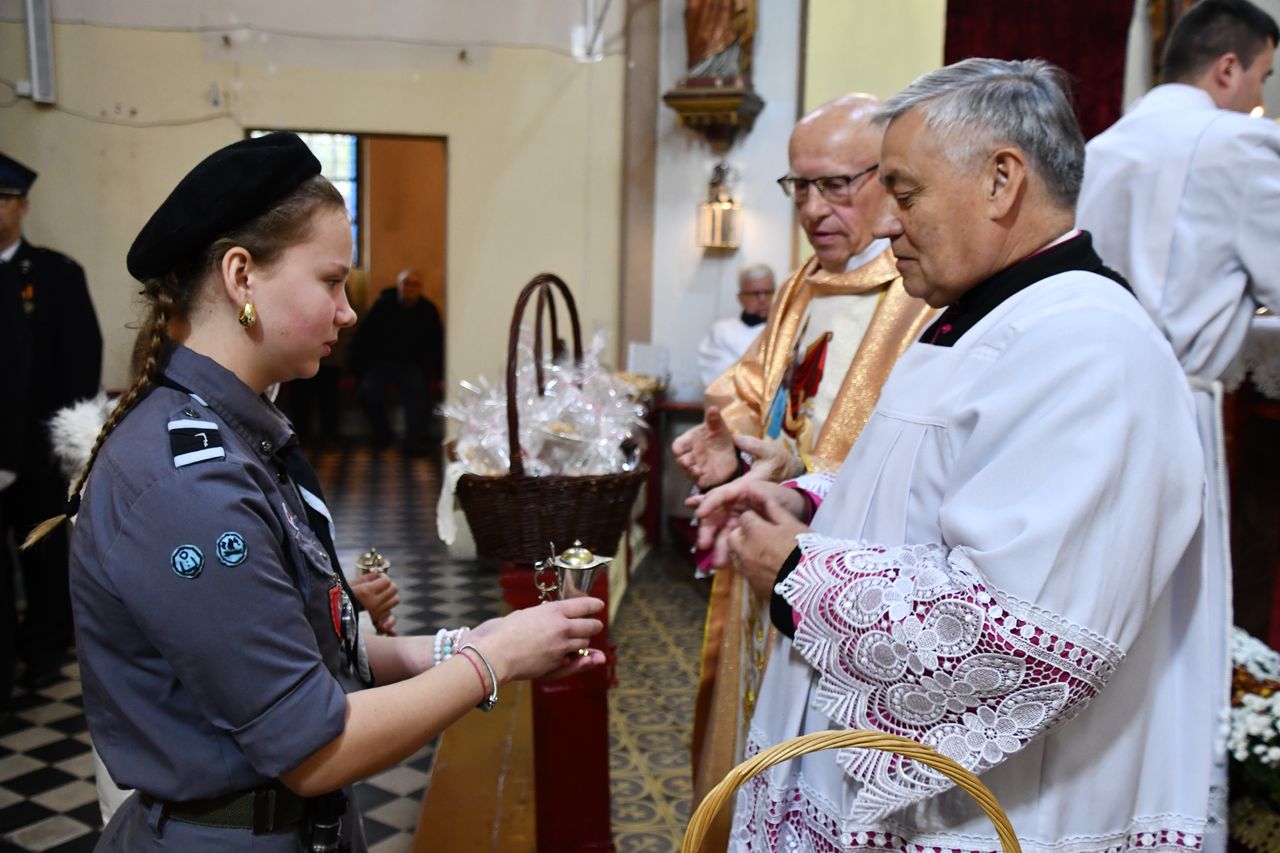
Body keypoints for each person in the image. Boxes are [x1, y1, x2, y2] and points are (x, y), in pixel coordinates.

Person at [29, 133, 604, 851]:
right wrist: (494, 661)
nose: (348, 309)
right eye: (331, 281)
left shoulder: (238, 432)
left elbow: (309, 645)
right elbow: (312, 748)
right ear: (242, 275)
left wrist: (461, 642)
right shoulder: (188, 482)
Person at [694, 59, 1213, 851]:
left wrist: (799, 575)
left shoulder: (1090, 346)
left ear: (1002, 181)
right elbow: (930, 494)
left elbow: (1012, 633)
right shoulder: (981, 316)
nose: (886, 225)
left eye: (904, 194)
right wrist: (809, 499)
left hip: (999, 810)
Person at [674, 95, 935, 850]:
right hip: (764, 555)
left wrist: (799, 475)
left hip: (845, 581)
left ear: (889, 176)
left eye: (836, 185)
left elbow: (916, 457)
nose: (814, 208)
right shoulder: (799, 286)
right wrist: (732, 445)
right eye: (800, 187)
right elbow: (752, 390)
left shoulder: (921, 290)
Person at [1077, 6, 1280, 840]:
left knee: (1100, 620)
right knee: (1174, 635)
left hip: (1087, 407)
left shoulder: (1100, 147)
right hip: (1178, 410)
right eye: (1262, 76)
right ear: (1228, 67)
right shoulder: (1237, 143)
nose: (1258, 96)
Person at [0, 151, 102, 693]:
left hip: (36, 454)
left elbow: (79, 364)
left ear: (22, 206)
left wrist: (62, 449)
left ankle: (43, 652)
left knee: (40, 559)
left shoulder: (55, 275)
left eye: (2, 200)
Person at [349, 267, 444, 452]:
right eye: (405, 283)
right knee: (367, 391)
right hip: (382, 362)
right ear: (398, 285)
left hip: (412, 364)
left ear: (420, 288)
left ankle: (413, 440)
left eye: (414, 284)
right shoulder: (382, 305)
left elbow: (437, 345)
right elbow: (363, 338)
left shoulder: (428, 310)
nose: (409, 288)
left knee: (418, 392)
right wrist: (353, 370)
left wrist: (440, 375)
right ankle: (383, 433)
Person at [696, 263, 775, 388]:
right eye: (755, 293)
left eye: (768, 292)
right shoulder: (721, 332)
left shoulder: (786, 331)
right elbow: (720, 381)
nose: (762, 299)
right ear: (741, 297)